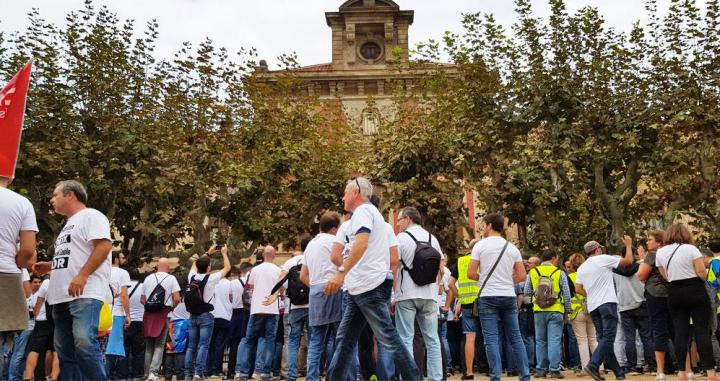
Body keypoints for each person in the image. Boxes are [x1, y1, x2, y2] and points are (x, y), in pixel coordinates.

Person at [324, 177, 421, 381]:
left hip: (368, 286)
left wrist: (341, 272)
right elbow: (393, 258)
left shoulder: (363, 212)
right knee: (345, 340)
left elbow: (361, 244)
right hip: (361, 287)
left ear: (356, 192)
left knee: (387, 338)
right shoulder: (372, 216)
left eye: (345, 192)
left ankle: (414, 377)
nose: (342, 196)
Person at [32, 180, 112, 380]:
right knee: (64, 351)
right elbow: (76, 256)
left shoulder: (91, 215)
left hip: (84, 292)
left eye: (55, 195)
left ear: (71, 195)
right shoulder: (69, 224)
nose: (51, 200)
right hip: (60, 296)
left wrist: (83, 275)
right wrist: (50, 265)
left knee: (84, 342)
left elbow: (103, 245)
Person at [467, 213, 529, 381]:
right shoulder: (512, 248)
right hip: (508, 295)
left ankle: (495, 376)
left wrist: (486, 278)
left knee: (491, 339)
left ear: (489, 226)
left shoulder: (480, 246)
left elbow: (471, 273)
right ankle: (525, 376)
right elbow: (522, 275)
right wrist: (508, 280)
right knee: (516, 337)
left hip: (487, 296)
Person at [657, 224, 718, 381]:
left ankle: (682, 372)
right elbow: (702, 273)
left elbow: (664, 275)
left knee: (680, 332)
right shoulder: (691, 249)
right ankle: (710, 372)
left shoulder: (660, 252)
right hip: (695, 290)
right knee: (702, 331)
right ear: (686, 234)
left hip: (674, 292)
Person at [394, 206, 445, 381]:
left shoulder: (401, 238)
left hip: (406, 293)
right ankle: (436, 378)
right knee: (432, 339)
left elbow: (394, 266)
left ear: (408, 219)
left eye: (399, 220)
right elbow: (441, 268)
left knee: (405, 338)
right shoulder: (433, 238)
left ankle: (408, 377)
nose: (398, 224)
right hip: (429, 295)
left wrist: (392, 295)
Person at [575, 236, 634, 381]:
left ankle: (618, 372)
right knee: (608, 338)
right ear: (597, 250)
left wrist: (591, 293)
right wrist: (628, 245)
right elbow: (628, 261)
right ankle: (592, 365)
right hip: (607, 302)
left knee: (603, 339)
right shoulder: (602, 259)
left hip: (593, 306)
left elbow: (578, 289)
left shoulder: (582, 267)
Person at [0, 175, 38, 361]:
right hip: (6, 274)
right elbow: (28, 249)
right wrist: (19, 264)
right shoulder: (22, 203)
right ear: (11, 179)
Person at [233, 245, 282, 381]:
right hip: (272, 310)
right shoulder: (279, 271)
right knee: (269, 340)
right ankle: (265, 372)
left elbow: (249, 289)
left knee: (249, 340)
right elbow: (282, 291)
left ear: (263, 255)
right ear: (274, 255)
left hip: (256, 309)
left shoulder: (254, 271)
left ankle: (243, 373)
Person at [523, 249, 572, 378]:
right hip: (556, 310)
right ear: (554, 258)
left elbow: (527, 292)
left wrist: (537, 297)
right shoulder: (559, 272)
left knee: (540, 341)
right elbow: (566, 294)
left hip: (538, 311)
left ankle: (540, 369)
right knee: (555, 340)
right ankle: (554, 369)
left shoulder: (533, 272)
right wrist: (567, 311)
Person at [185, 245, 231, 380]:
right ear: (209, 268)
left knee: (191, 346)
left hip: (193, 315)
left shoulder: (191, 277)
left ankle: (188, 374)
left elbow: (194, 263)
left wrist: (207, 253)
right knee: (203, 346)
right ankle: (198, 373)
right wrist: (224, 253)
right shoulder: (210, 279)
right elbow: (227, 268)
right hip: (206, 316)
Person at [445, 238, 487, 380]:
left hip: (467, 304)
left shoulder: (460, 262)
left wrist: (460, 297)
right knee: (490, 336)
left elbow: (450, 284)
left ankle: (468, 372)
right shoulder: (483, 261)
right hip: (484, 302)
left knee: (469, 337)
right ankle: (491, 368)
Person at [636, 230, 674, 379]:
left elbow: (641, 275)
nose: (647, 242)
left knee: (658, 331)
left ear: (659, 242)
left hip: (655, 294)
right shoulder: (671, 253)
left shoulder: (652, 255)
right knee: (675, 330)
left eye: (650, 239)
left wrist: (642, 259)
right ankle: (681, 365)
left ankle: (661, 368)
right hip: (672, 294)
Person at [612, 253, 655, 375]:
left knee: (629, 338)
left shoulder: (615, 270)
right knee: (646, 337)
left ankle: (631, 367)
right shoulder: (642, 267)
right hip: (641, 303)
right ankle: (652, 366)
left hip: (625, 306)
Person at [142, 257, 181, 380]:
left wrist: (151, 306)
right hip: (163, 313)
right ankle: (154, 373)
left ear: (157, 266)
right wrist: (172, 308)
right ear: (168, 267)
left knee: (149, 345)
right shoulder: (171, 279)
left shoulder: (148, 278)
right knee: (159, 344)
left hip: (148, 314)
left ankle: (146, 373)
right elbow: (177, 298)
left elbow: (142, 300)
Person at [281, 246, 310, 381]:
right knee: (313, 341)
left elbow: (281, 283)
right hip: (311, 306)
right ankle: (312, 373)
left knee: (292, 342)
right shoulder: (309, 258)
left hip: (293, 307)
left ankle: (291, 374)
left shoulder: (289, 263)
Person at [566, 253, 597, 371]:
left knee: (582, 341)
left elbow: (568, 296)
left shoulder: (569, 277)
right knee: (593, 339)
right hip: (591, 308)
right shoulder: (590, 275)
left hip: (576, 312)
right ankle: (599, 366)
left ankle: (586, 367)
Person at [24, 276, 59, 381]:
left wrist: (36, 314)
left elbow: (37, 306)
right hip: (56, 320)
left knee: (35, 349)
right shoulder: (60, 281)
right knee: (55, 350)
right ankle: (53, 377)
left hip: (41, 321)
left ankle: (28, 377)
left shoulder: (45, 284)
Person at [8, 272, 41, 381]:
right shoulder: (24, 294)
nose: (38, 284)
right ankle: (13, 378)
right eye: (35, 282)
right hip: (23, 328)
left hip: (32, 327)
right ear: (29, 283)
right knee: (18, 355)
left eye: (39, 282)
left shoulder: (37, 295)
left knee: (20, 355)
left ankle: (11, 377)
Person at [106, 252, 132, 379]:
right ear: (116, 259)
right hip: (116, 313)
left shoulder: (102, 271)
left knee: (103, 345)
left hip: (101, 312)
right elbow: (124, 295)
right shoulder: (122, 273)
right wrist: (128, 315)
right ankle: (109, 375)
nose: (124, 259)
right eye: (122, 257)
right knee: (114, 347)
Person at [119, 271, 145, 381]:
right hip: (139, 321)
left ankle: (122, 376)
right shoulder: (143, 287)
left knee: (123, 350)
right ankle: (137, 376)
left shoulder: (123, 287)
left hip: (124, 320)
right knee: (138, 351)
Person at [208, 270, 233, 377]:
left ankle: (208, 369)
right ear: (230, 274)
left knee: (210, 345)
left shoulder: (212, 284)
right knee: (220, 345)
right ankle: (217, 370)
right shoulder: (230, 284)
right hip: (225, 316)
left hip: (212, 316)